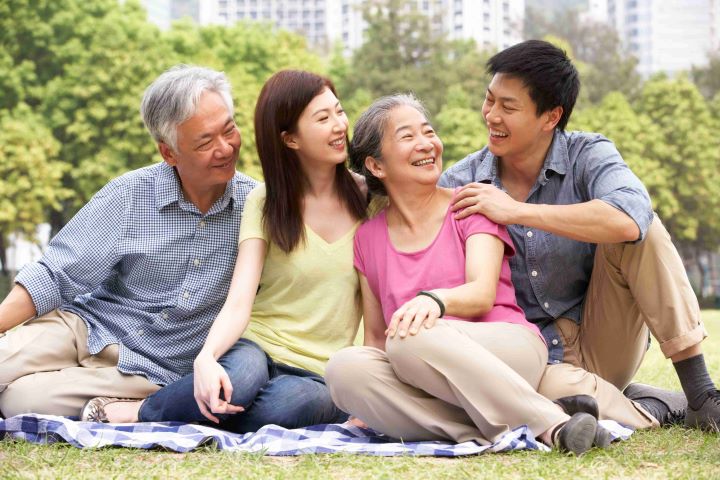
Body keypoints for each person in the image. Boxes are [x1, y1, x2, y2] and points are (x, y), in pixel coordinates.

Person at [438, 40, 719, 432]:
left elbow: (630, 216)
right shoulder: (460, 182)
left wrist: (516, 211)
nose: (491, 115)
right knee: (540, 408)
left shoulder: (588, 154)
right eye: (489, 101)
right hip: (529, 358)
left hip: (603, 336)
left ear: (551, 116)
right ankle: (653, 406)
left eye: (509, 106)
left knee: (643, 229)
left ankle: (701, 394)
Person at [84, 70, 367, 432]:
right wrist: (206, 358)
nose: (339, 125)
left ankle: (157, 409)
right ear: (290, 139)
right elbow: (239, 301)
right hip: (258, 346)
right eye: (323, 118)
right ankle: (148, 410)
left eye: (339, 112)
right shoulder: (265, 202)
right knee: (239, 380)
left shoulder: (371, 204)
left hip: (320, 367)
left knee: (284, 408)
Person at [326, 94, 610, 455]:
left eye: (428, 132)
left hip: (509, 347)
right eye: (407, 136)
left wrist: (434, 300)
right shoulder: (367, 238)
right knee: (344, 369)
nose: (426, 143)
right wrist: (368, 401)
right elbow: (377, 337)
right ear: (376, 166)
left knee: (411, 337)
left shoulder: (472, 204)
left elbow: (481, 293)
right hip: (425, 373)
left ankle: (551, 426)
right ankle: (519, 418)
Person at [0, 65, 258, 418]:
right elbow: (54, 274)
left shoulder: (256, 208)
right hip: (86, 328)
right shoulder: (130, 195)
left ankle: (120, 407)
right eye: (205, 142)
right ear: (169, 153)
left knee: (20, 403)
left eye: (229, 130)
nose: (226, 148)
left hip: (149, 369)